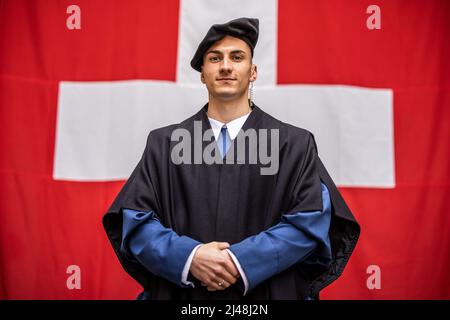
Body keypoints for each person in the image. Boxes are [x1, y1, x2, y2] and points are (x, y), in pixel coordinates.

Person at [103, 17, 360, 300]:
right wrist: (190, 257)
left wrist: (240, 262)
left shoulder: (293, 145)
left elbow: (310, 222)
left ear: (253, 72)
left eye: (237, 57)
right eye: (215, 58)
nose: (226, 66)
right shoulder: (163, 145)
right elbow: (138, 223)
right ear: (202, 73)